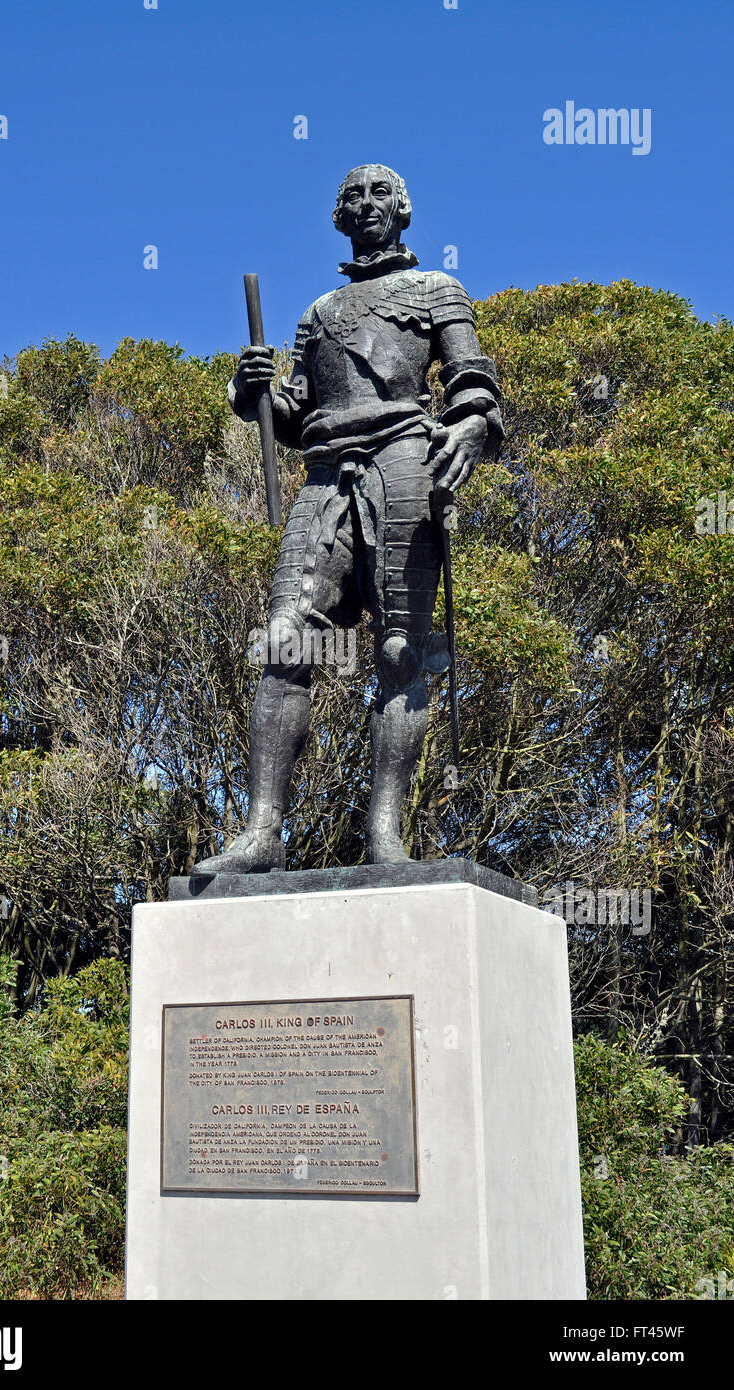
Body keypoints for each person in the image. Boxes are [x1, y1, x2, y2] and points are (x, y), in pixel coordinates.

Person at [194, 164, 503, 873]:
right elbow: (294, 415)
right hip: (326, 473)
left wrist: (470, 427)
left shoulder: (435, 291)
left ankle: (385, 834)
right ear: (337, 216)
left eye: (378, 194)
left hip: (402, 460)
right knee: (284, 644)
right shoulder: (319, 309)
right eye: (351, 197)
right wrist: (253, 396)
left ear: (403, 209)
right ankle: (263, 830)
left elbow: (471, 382)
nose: (365, 205)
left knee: (400, 652)